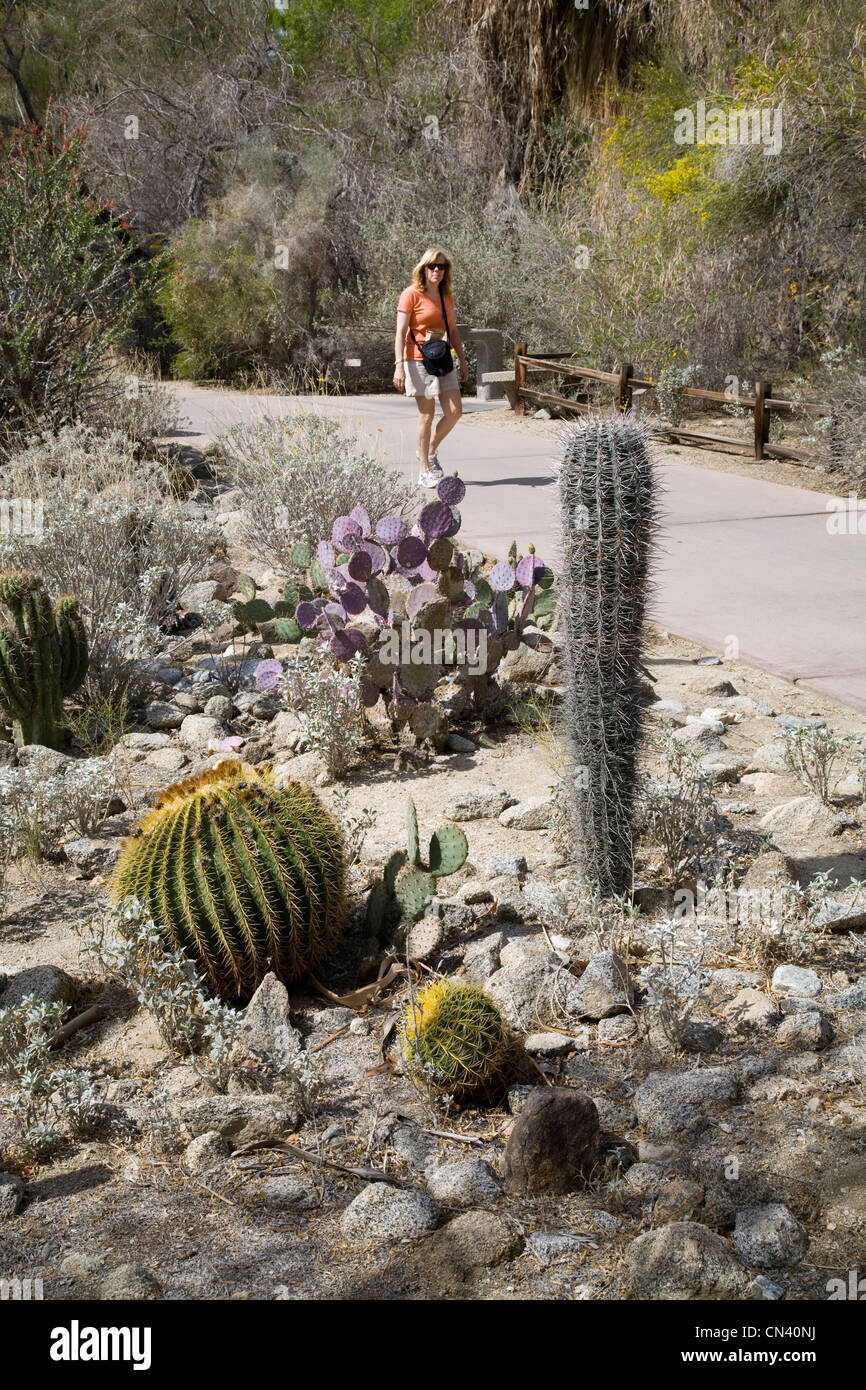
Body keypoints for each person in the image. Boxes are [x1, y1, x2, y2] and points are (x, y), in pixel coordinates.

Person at [393, 247, 469, 487]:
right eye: (432, 266)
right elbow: (401, 332)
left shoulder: (447, 296)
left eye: (441, 266)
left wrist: (463, 360)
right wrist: (399, 365)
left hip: (442, 358)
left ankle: (429, 450)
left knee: (455, 411)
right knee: (427, 414)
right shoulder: (411, 294)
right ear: (423, 269)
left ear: (446, 271)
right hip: (416, 358)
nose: (436, 270)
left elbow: (453, 331)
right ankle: (424, 469)